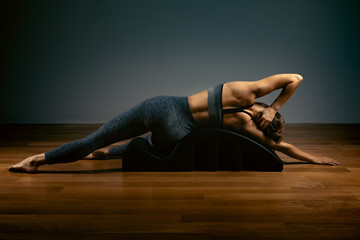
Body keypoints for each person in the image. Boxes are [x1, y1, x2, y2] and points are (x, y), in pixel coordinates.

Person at [8, 73, 341, 173]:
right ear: (270, 123)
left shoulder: (245, 93)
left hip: (166, 108)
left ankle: (36, 160)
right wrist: (316, 159)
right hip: (178, 134)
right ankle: (110, 155)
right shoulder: (255, 131)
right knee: (127, 148)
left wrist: (278, 103)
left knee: (98, 136)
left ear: (268, 108)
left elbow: (294, 77)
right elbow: (285, 148)